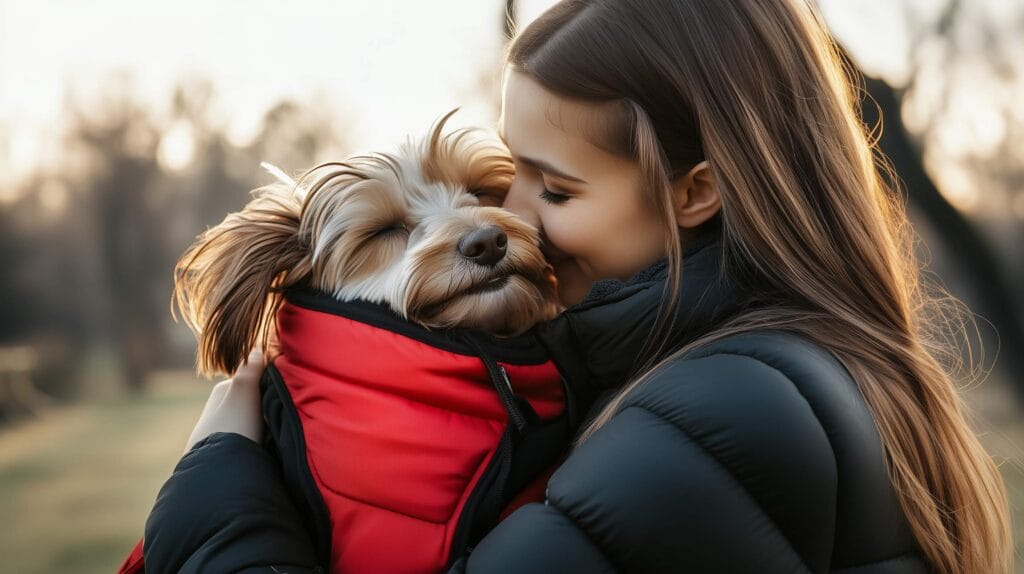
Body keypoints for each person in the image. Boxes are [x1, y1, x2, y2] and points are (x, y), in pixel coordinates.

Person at [141, 0, 1013, 572]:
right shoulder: (757, 367)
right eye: (508, 175)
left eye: (552, 190)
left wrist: (214, 482)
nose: (503, 219)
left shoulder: (712, 418)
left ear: (696, 190)